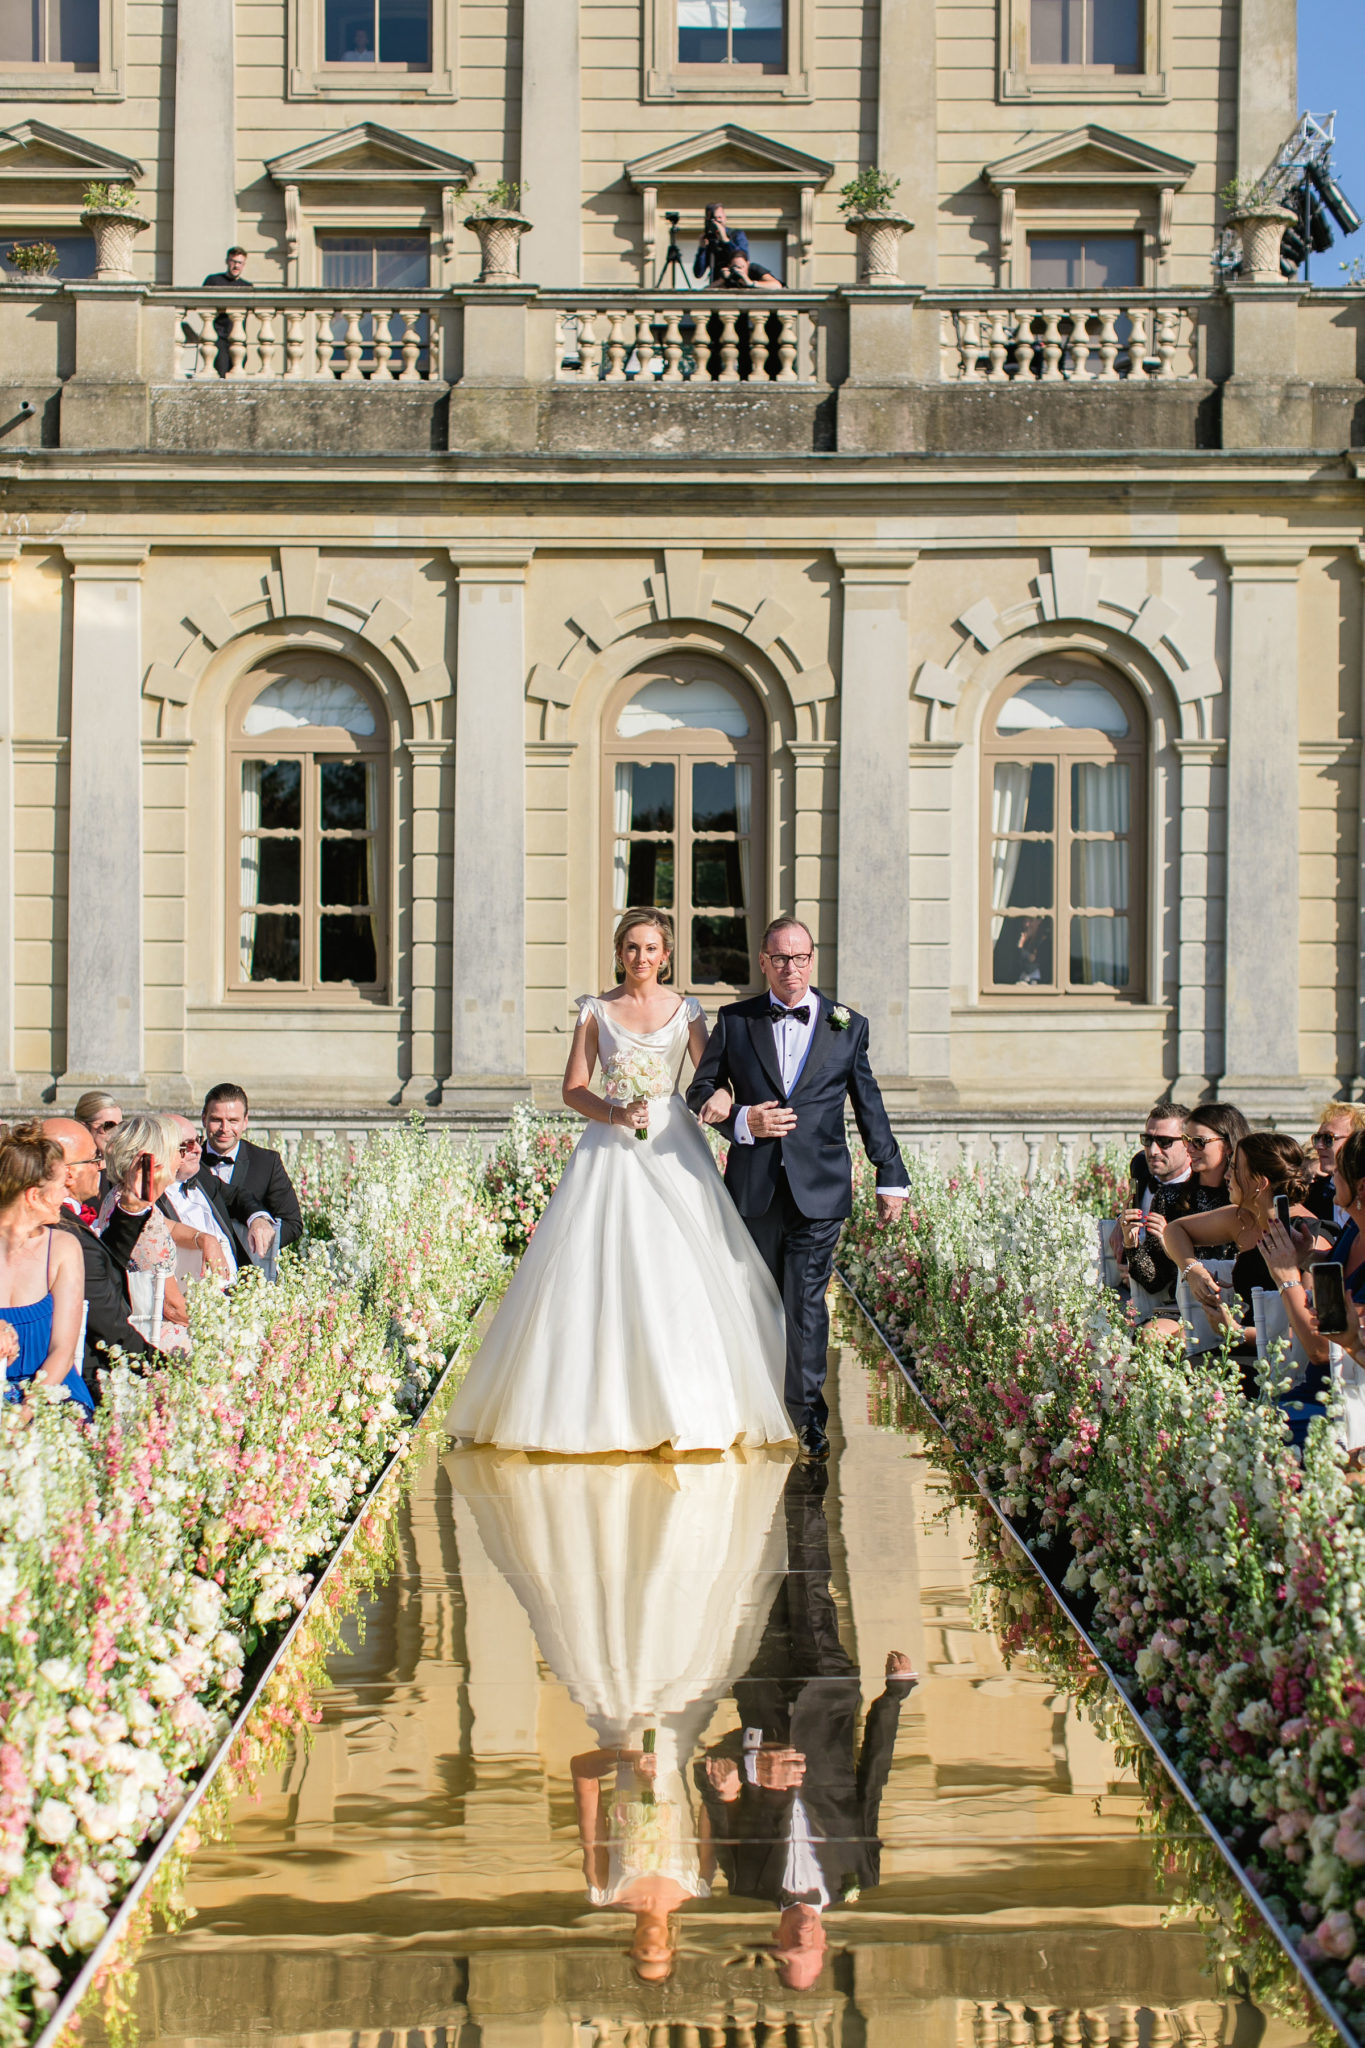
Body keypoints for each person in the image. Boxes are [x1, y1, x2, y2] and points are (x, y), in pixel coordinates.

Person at [450, 907, 795, 1455]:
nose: (641, 957)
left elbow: (708, 1079)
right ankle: (591, 1408)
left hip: (673, 1143)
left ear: (666, 954)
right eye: (631, 948)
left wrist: (727, 1104)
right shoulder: (596, 1011)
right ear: (619, 953)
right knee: (596, 1262)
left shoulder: (687, 1011)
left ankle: (689, 1403)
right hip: (611, 1144)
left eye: (651, 948)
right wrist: (613, 1111)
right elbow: (573, 1088)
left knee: (681, 1263)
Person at [449, 1447, 790, 1983]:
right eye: (659, 1957)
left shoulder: (604, 1887)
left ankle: (613, 1526)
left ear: (631, 1949)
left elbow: (583, 1779)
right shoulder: (698, 1883)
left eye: (642, 1957)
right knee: (689, 1630)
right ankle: (678, 1527)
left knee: (609, 1627)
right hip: (678, 1735)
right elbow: (708, 1801)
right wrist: (714, 1778)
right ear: (672, 1950)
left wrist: (626, 1757)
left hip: (619, 1726)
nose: (650, 1949)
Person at [686, 916, 908, 1464]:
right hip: (752, 1187)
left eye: (801, 957)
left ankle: (807, 1418)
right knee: (750, 1300)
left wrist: (891, 1173)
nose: (792, 968)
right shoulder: (735, 1021)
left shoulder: (846, 1025)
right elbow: (700, 1090)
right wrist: (740, 1119)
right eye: (780, 958)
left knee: (806, 1302)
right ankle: (744, 1408)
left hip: (820, 1189)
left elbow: (868, 1103)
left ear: (814, 959)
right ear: (763, 961)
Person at [697, 1463, 916, 1990]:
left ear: (775, 1939)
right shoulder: (857, 1875)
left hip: (766, 1694)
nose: (801, 1939)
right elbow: (872, 1783)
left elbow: (714, 1790)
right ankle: (806, 1472)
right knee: (811, 1583)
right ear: (824, 1944)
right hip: (829, 1696)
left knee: (760, 1584)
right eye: (809, 1948)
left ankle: (750, 1486)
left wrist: (743, 1770)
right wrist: (895, 1696)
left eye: (789, 1948)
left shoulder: (746, 1881)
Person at [1163, 1132, 1333, 1398]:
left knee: (1180, 1379)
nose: (1227, 1175)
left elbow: (1303, 1334)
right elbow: (1174, 1231)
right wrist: (1192, 1271)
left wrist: (1237, 1332)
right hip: (1245, 1350)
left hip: (1284, 1367)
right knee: (1170, 1365)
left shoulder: (1309, 1238)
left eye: (1235, 1168)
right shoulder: (1243, 1217)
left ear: (1259, 1183)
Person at [42, 1117, 154, 1392]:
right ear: (69, 1173)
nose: (101, 1166)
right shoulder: (63, 1234)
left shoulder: (66, 1223)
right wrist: (169, 1371)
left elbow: (104, 1266)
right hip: (92, 1376)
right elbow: (110, 1328)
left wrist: (130, 1207)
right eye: (94, 1158)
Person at [0, 1122, 93, 1412]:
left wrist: (25, 1413)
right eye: (60, 1185)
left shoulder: (63, 1248)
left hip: (50, 1395)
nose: (67, 1192)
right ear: (33, 1196)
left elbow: (63, 1351)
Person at [1123, 1101, 1247, 1309]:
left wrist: (1174, 1245)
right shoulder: (1170, 1197)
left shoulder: (1242, 1201)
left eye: (1198, 1142)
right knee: (1151, 1336)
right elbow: (1153, 1282)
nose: (1189, 1148)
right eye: (1187, 1140)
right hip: (1183, 1307)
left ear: (1227, 1145)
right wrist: (1131, 1242)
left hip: (1235, 1303)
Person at [94, 1115, 193, 1348]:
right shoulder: (142, 1219)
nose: (182, 1156)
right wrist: (216, 1320)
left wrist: (202, 1238)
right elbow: (172, 1308)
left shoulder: (118, 1198)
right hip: (153, 1335)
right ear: (155, 1159)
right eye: (178, 1149)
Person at [187, 1084, 302, 1271]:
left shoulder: (266, 1162)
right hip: (196, 1270)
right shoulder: (188, 1162)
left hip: (250, 1275)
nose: (225, 1128)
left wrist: (262, 1237)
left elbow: (293, 1224)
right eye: (217, 1120)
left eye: (233, 1121)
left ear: (245, 1122)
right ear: (203, 1119)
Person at [162, 1116, 235, 1280]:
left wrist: (259, 1218)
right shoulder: (150, 1198)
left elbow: (238, 1196)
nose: (198, 1149)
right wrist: (204, 1239)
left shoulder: (202, 1176)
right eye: (188, 1144)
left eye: (198, 1140)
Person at [1305, 1101, 1365, 1228]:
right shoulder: (1313, 1196)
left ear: (1358, 1141)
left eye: (1328, 1138)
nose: (1317, 1146)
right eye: (1317, 1138)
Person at [693, 202, 780, 289]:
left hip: (740, 282)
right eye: (713, 219)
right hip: (720, 284)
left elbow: (742, 257)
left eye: (719, 218)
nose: (717, 222)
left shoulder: (736, 235)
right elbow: (698, 273)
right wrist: (702, 249)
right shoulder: (709, 240)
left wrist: (725, 240)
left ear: (725, 218)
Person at [73, 1089, 122, 1172]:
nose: (117, 1133)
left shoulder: (124, 1169)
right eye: (109, 1126)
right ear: (84, 1127)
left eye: (121, 1125)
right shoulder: (71, 1166)